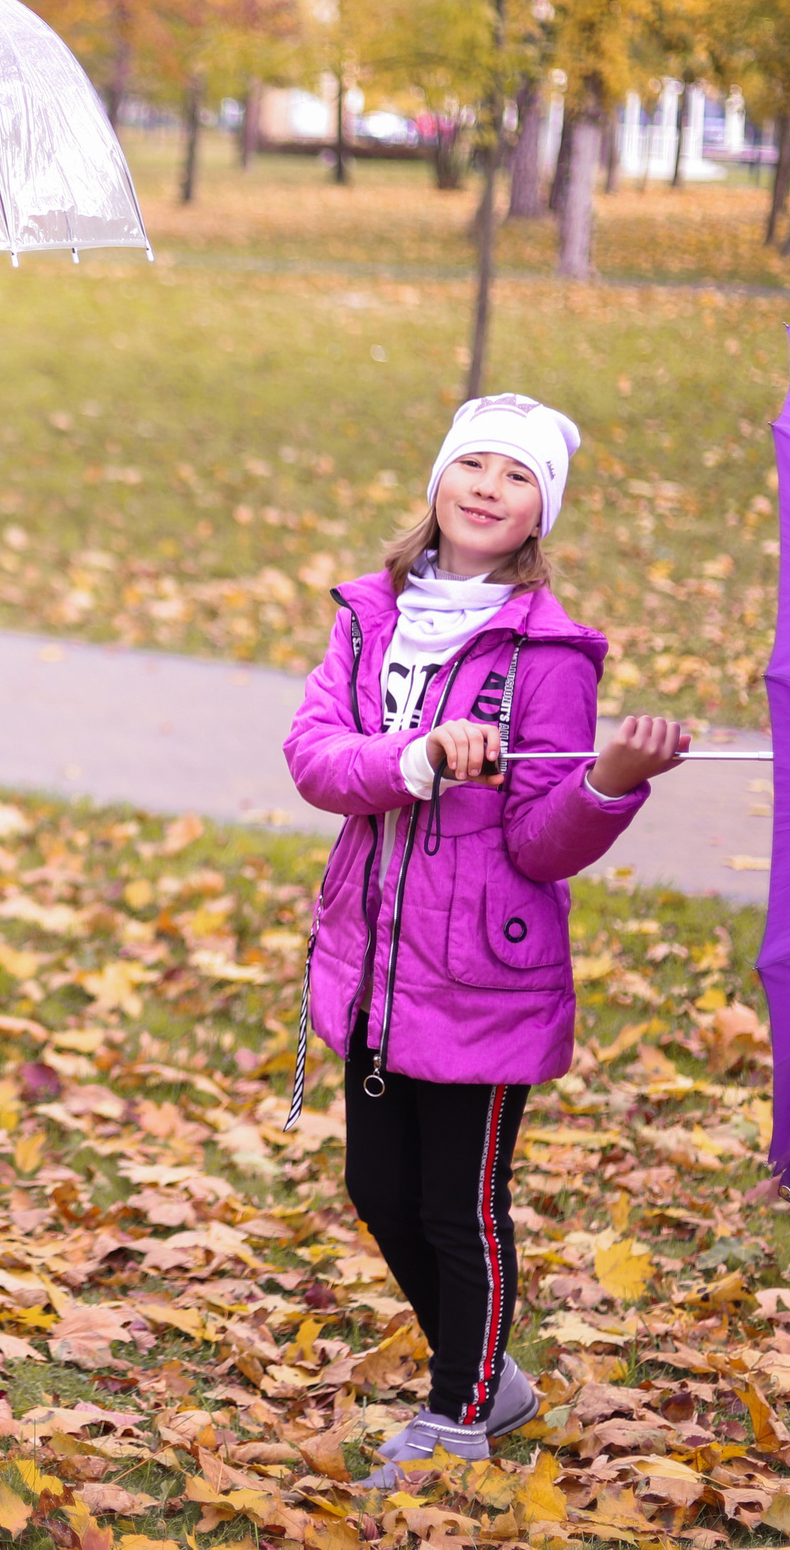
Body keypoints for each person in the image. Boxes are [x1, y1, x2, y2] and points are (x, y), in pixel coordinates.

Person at [280, 394, 690, 1488]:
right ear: (438, 480)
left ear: (539, 511)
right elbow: (316, 758)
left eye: (518, 476)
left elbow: (541, 844)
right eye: (474, 464)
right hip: (376, 960)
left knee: (458, 1208)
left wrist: (609, 781)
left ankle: (460, 1415)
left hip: (481, 977)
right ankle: (489, 1376)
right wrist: (416, 755)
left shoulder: (549, 654)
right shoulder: (369, 617)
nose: (489, 488)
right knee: (379, 1189)